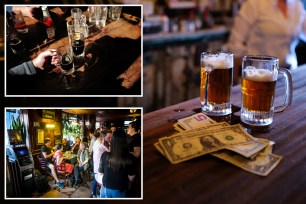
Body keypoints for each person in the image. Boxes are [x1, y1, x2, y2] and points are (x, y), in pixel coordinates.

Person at [226, 0, 306, 82]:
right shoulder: (254, 4)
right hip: (258, 77)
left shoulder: (297, 5)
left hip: (288, 75)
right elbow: (235, 44)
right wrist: (233, 82)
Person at [98, 130, 135, 198]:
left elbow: (100, 172)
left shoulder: (105, 155)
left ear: (112, 141)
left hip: (105, 187)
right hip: (120, 189)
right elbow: (131, 178)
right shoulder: (130, 157)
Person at [91, 130, 111, 198]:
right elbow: (98, 159)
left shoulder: (100, 143)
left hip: (99, 167)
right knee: (98, 181)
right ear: (102, 136)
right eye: (108, 137)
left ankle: (93, 192)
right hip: (99, 167)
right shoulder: (98, 146)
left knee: (96, 180)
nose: (110, 139)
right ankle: (94, 193)